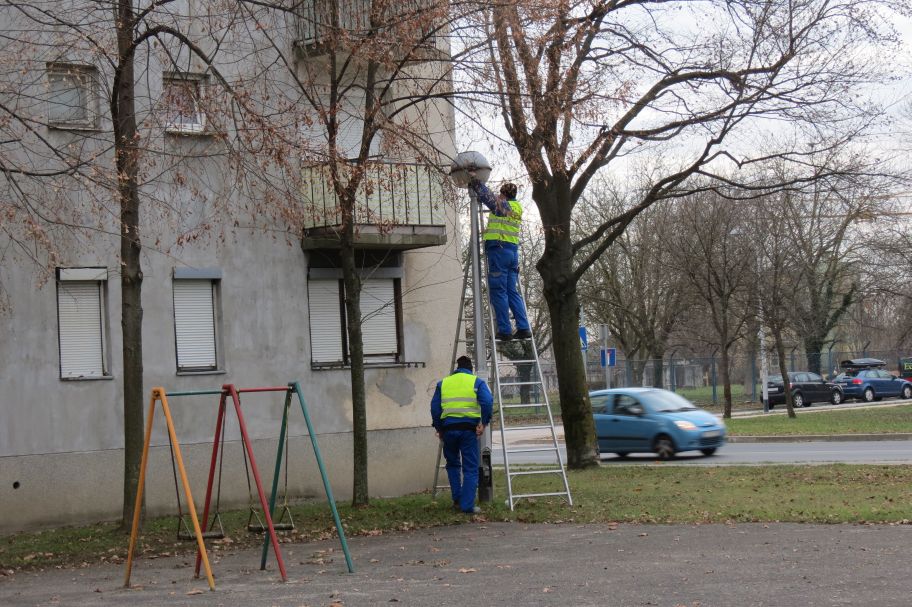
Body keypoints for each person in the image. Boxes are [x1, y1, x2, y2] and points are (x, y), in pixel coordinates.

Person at [469, 178, 532, 342]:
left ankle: (505, 330)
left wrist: (476, 182)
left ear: (504, 195)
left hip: (499, 251)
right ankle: (524, 328)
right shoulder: (517, 207)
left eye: (500, 194)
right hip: (512, 253)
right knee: (512, 292)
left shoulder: (505, 206)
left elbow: (489, 198)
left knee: (499, 291)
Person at [430, 355, 494, 514]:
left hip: (448, 430)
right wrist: (484, 423)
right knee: (470, 468)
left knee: (452, 464)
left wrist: (439, 428)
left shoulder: (443, 383)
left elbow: (435, 408)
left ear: (456, 369)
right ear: (471, 369)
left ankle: (457, 500)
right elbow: (487, 401)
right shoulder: (476, 382)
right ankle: (467, 506)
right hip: (468, 431)